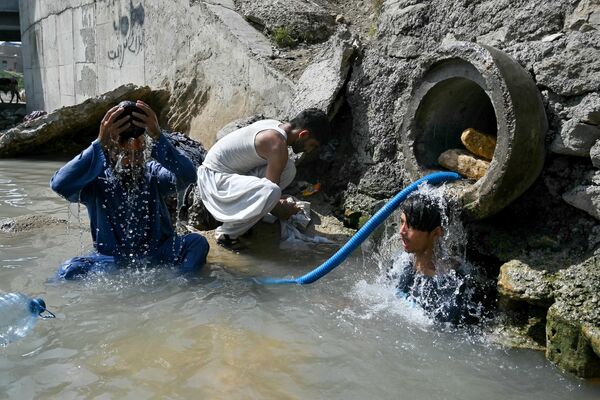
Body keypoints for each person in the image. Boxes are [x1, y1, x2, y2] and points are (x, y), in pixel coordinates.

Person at [50, 100, 209, 279]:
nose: (134, 161)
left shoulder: (153, 174)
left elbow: (188, 175)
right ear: (109, 151)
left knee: (197, 243)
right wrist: (99, 144)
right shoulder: (95, 182)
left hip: (158, 254)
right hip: (110, 260)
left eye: (140, 153)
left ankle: (178, 283)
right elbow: (59, 185)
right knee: (68, 270)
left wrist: (158, 136)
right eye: (126, 154)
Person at [197, 108, 331, 249]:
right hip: (213, 182)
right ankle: (227, 234)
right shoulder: (276, 144)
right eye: (312, 145)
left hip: (224, 175)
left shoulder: (275, 126)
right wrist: (286, 211)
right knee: (272, 191)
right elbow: (270, 195)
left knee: (288, 169)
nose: (309, 150)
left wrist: (277, 203)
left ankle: (245, 217)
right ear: (303, 134)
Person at [387, 193, 471, 324]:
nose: (402, 231)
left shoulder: (452, 284)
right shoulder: (401, 264)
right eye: (402, 222)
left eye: (411, 226)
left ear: (436, 233)